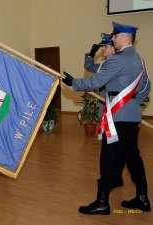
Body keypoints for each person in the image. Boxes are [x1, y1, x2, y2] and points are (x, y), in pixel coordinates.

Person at [63, 21, 151, 215]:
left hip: (117, 116)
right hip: (130, 115)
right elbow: (146, 87)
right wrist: (133, 102)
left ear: (124, 37)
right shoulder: (139, 59)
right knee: (132, 157)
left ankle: (102, 203)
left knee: (108, 158)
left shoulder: (118, 60)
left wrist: (72, 82)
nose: (112, 39)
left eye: (114, 36)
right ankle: (143, 198)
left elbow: (96, 81)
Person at [84, 33, 125, 189]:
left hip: (117, 110)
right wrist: (91, 53)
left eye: (105, 47)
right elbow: (88, 67)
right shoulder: (103, 65)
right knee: (113, 147)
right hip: (106, 110)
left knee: (117, 148)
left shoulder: (119, 64)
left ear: (114, 48)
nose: (103, 50)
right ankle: (113, 178)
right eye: (101, 47)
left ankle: (112, 178)